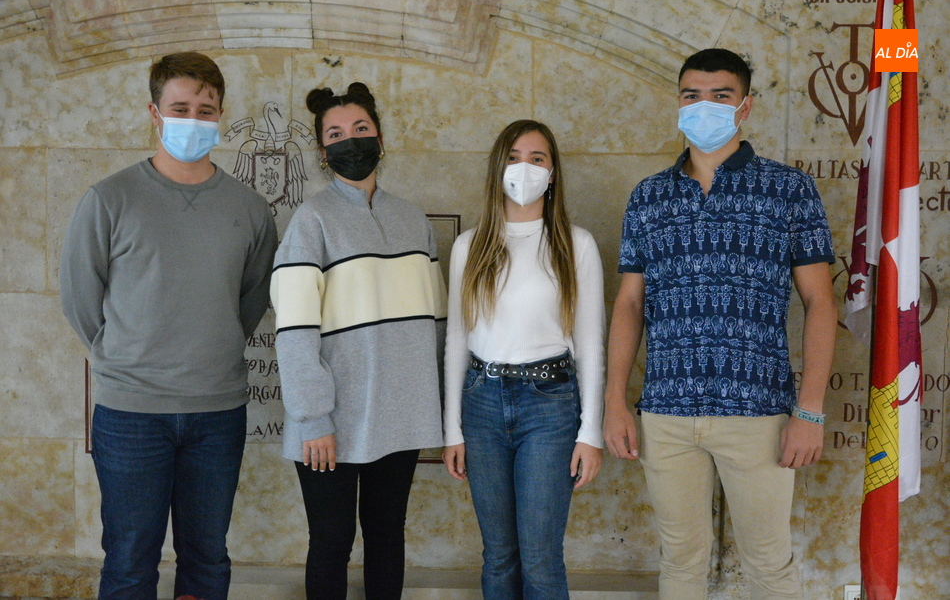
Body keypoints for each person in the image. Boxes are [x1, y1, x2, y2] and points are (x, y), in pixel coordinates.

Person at [603, 48, 838, 600]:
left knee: (768, 566)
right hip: (667, 411)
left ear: (745, 106)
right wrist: (617, 399)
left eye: (720, 95)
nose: (703, 106)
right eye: (691, 96)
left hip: (759, 414)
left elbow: (820, 304)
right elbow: (628, 306)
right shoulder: (649, 197)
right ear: (678, 103)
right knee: (681, 563)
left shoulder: (789, 190)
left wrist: (808, 411)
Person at [60, 51, 278, 600]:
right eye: (180, 107)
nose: (194, 119)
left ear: (221, 115)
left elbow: (251, 301)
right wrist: (124, 356)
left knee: (207, 558)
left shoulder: (250, 209)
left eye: (206, 110)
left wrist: (208, 343)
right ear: (154, 114)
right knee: (131, 558)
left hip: (216, 413)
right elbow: (81, 298)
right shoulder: (109, 199)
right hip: (131, 415)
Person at [270, 82, 445, 600]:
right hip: (331, 421)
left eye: (361, 129)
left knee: (388, 537)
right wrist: (313, 416)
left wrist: (429, 403)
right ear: (323, 152)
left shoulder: (413, 219)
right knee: (332, 540)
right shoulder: (311, 221)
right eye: (337, 134)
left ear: (381, 138)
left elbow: (433, 321)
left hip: (401, 414)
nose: (352, 141)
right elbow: (295, 330)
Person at [442, 119, 605, 599]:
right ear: (498, 168)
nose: (524, 169)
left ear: (552, 174)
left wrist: (590, 432)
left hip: (549, 405)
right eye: (514, 157)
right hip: (482, 403)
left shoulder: (576, 245)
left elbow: (592, 341)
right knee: (499, 557)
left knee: (539, 557)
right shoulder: (469, 247)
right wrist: (453, 429)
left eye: (537, 159)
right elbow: (456, 338)